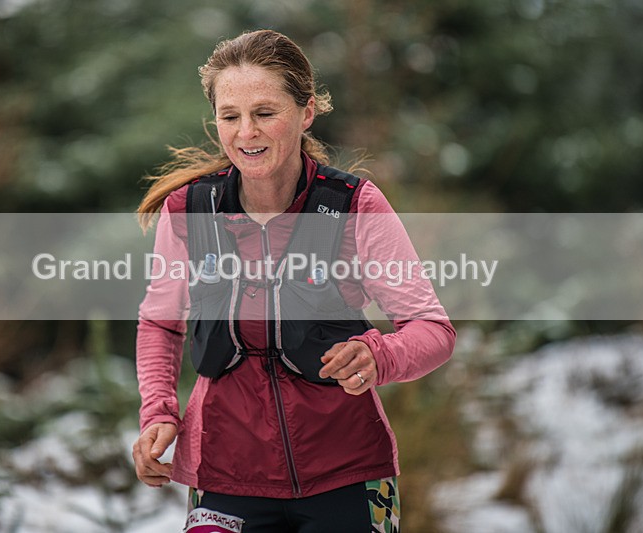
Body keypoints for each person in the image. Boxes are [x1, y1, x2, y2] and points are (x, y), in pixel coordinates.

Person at [132, 29, 456, 532]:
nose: (246, 133)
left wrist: (380, 354)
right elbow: (161, 324)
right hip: (224, 472)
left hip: (347, 473)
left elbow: (432, 329)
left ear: (306, 113)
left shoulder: (355, 205)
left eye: (265, 113)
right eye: (230, 116)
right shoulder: (189, 211)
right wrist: (158, 412)